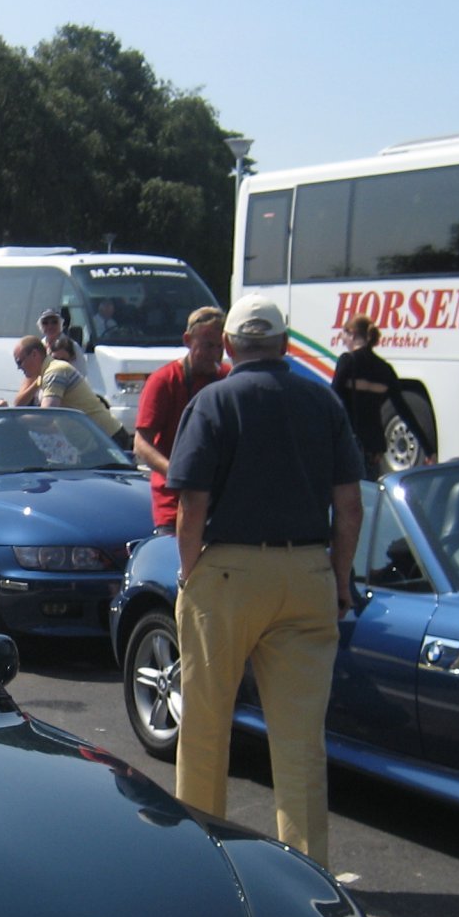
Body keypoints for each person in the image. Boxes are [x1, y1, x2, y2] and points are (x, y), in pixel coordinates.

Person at [165, 294, 364, 867]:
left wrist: (188, 570)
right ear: (284, 343)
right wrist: (339, 577)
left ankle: (205, 860)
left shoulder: (212, 402)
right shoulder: (321, 401)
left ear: (228, 345)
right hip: (306, 571)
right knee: (300, 741)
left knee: (205, 725)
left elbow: (192, 502)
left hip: (227, 569)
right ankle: (307, 872)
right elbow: (348, 507)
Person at [134, 306, 228, 535]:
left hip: (219, 505)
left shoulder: (227, 378)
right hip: (173, 506)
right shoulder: (164, 380)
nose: (214, 354)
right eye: (207, 345)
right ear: (187, 340)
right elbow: (140, 444)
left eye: (220, 347)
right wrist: (177, 474)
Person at [332, 314, 436, 480]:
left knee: (349, 491)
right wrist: (428, 448)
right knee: (369, 495)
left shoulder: (347, 361)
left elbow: (333, 399)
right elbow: (403, 410)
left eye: (343, 334)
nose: (342, 339)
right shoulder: (385, 369)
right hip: (375, 446)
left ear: (352, 334)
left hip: (352, 442)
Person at [0, 336, 133, 449]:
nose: (19, 368)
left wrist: (11, 416)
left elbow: (45, 417)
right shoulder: (45, 374)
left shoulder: (55, 372)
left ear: (34, 354)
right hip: (95, 444)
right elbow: (21, 404)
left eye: (20, 362)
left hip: (109, 441)